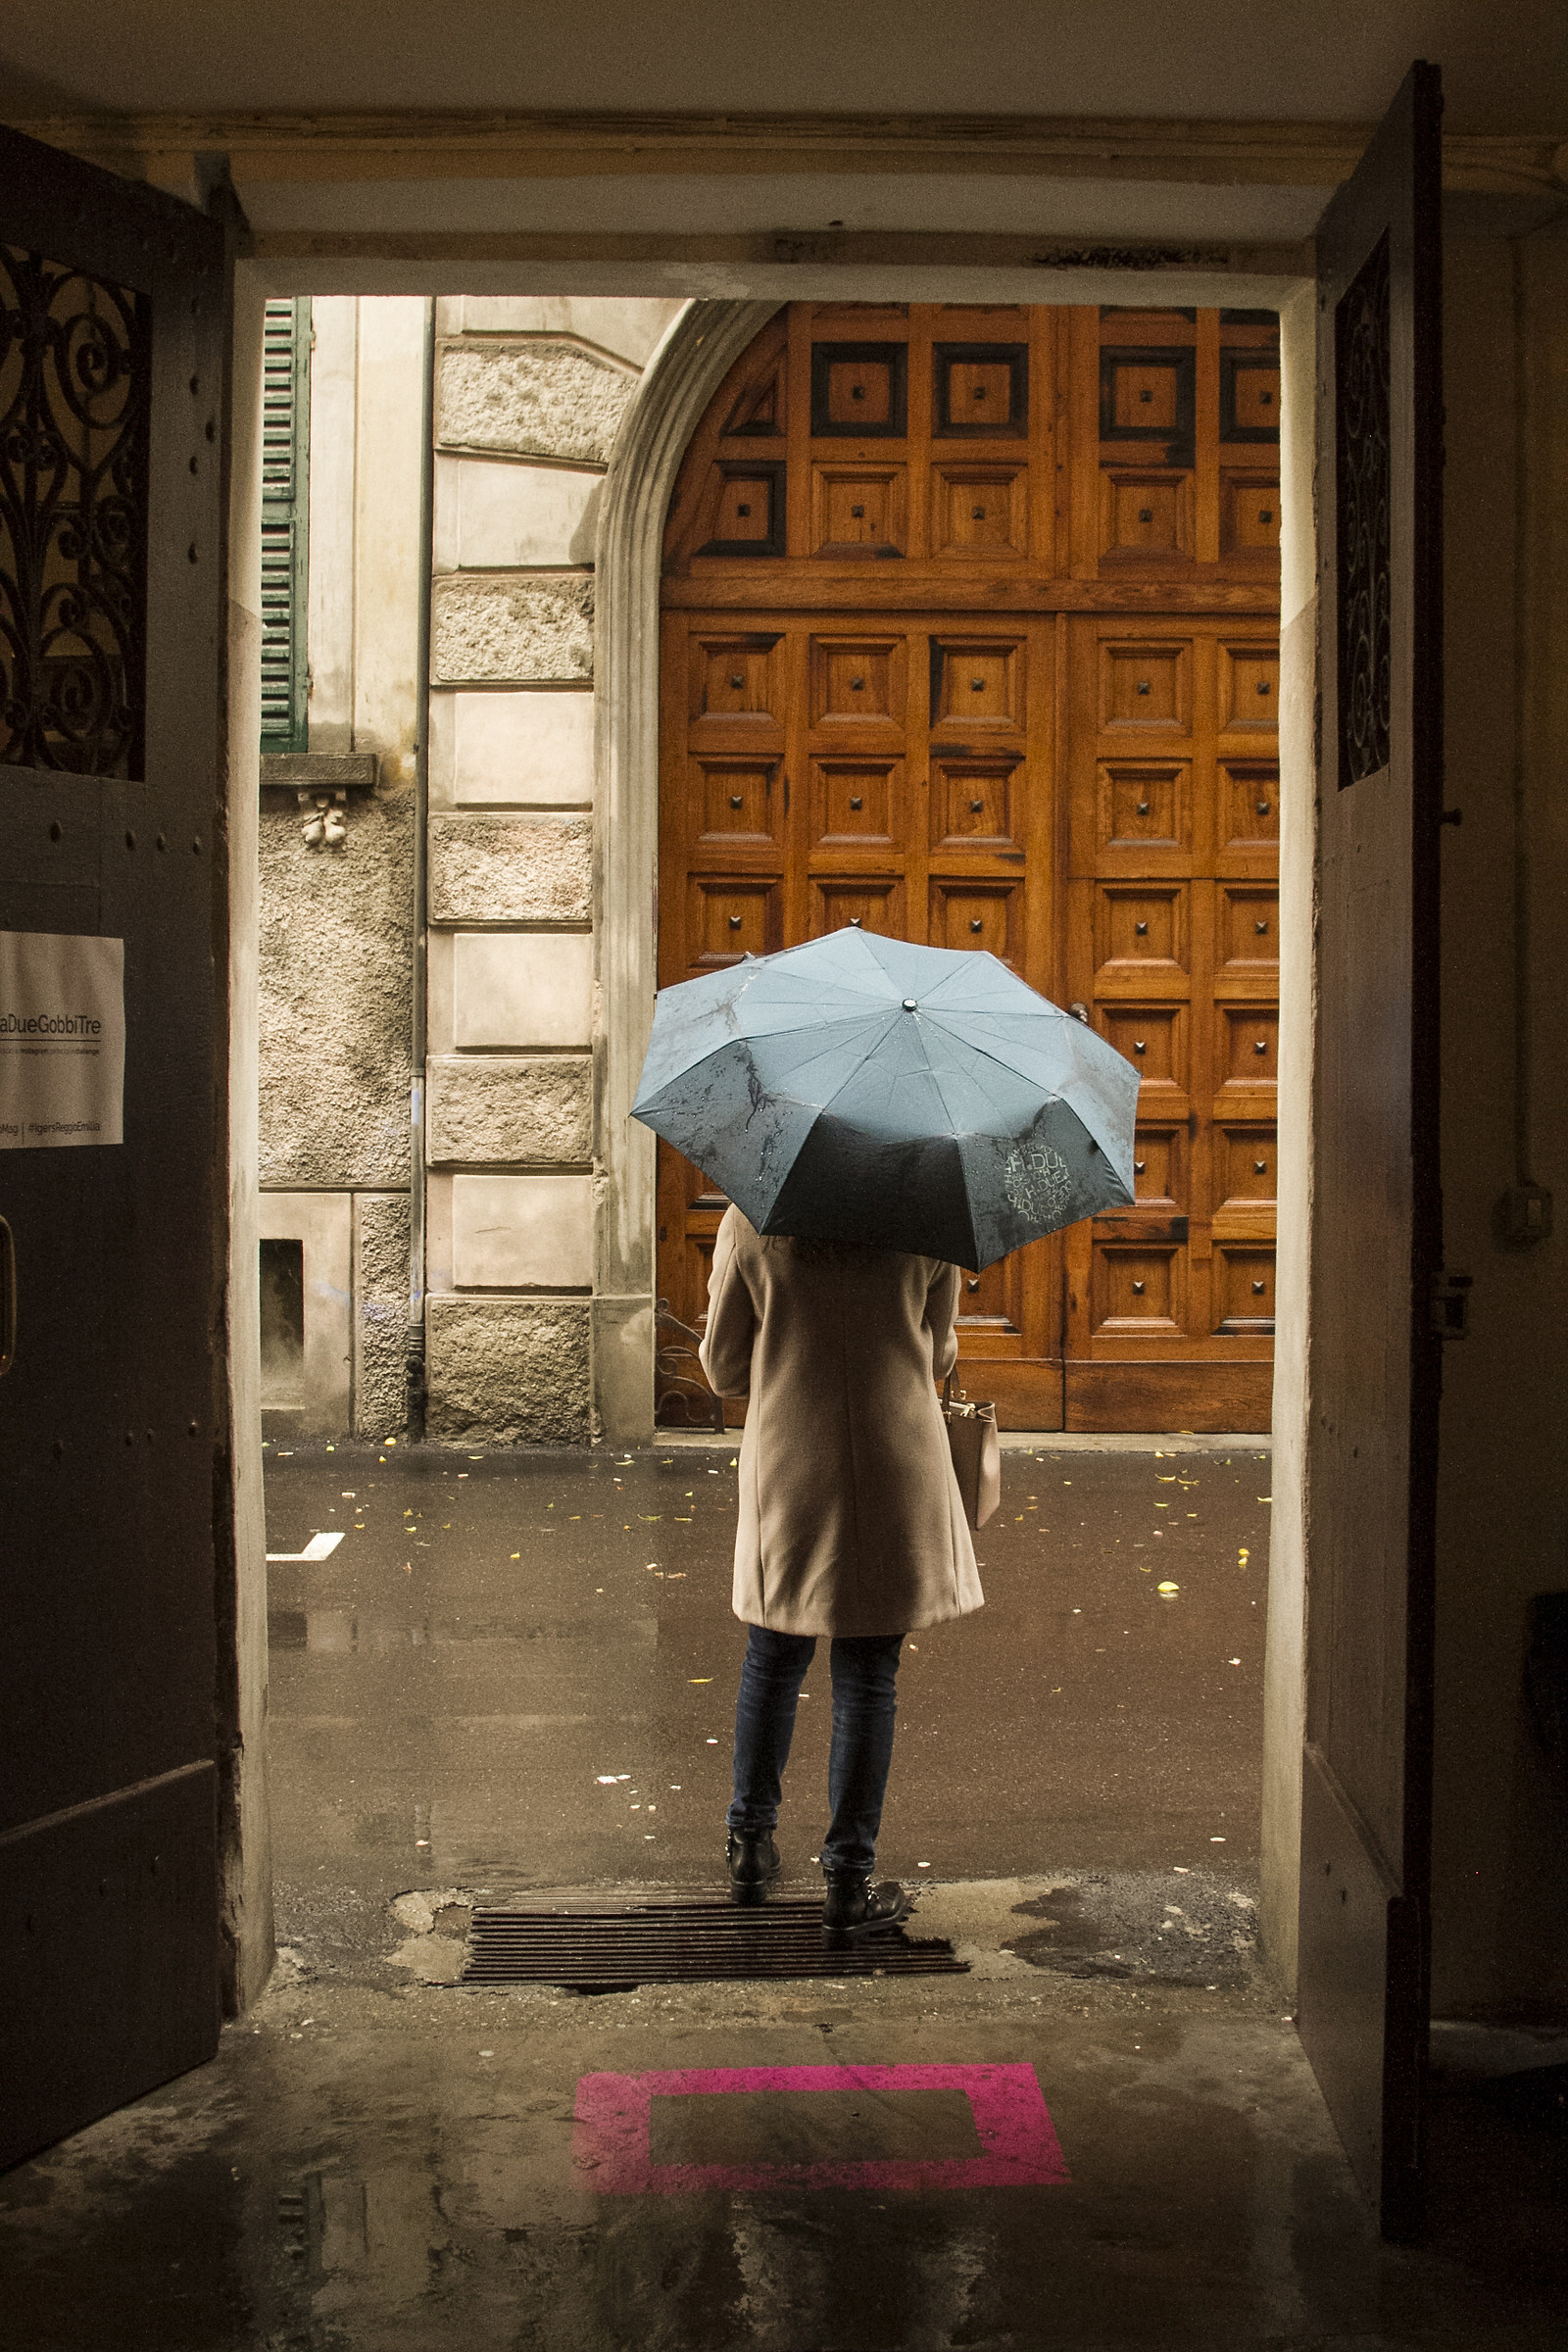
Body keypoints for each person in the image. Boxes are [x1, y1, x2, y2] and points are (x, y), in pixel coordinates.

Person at [698, 1203, 984, 1946]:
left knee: (772, 1656)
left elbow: (725, 1368)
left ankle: (750, 1850)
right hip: (896, 1461)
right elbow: (941, 1354)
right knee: (868, 1674)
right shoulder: (926, 1218)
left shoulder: (750, 1220)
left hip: (792, 1465)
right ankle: (848, 1881)